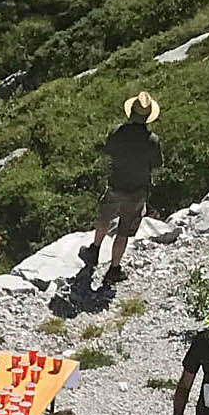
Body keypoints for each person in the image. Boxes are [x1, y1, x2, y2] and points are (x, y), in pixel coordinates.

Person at [81, 92, 163, 284]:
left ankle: (94, 249)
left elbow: (108, 150)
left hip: (115, 184)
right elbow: (158, 163)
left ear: (131, 112)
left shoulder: (117, 131)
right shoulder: (152, 140)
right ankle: (114, 269)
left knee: (104, 217)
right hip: (137, 191)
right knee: (123, 230)